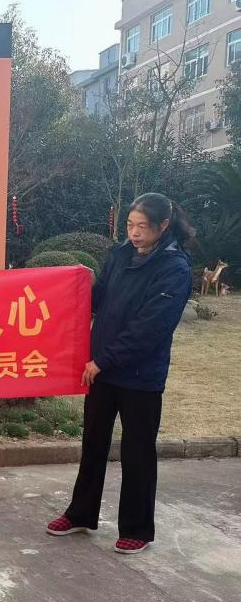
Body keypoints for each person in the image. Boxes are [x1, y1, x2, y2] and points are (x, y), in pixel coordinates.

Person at [47, 193, 195, 554]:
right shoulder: (120, 255)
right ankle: (81, 513)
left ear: (163, 226)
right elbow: (100, 300)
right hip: (102, 369)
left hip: (140, 376)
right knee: (93, 444)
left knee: (137, 452)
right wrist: (78, 285)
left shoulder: (174, 268)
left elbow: (149, 328)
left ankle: (137, 529)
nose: (134, 233)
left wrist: (103, 361)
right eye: (130, 225)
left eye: (142, 227)